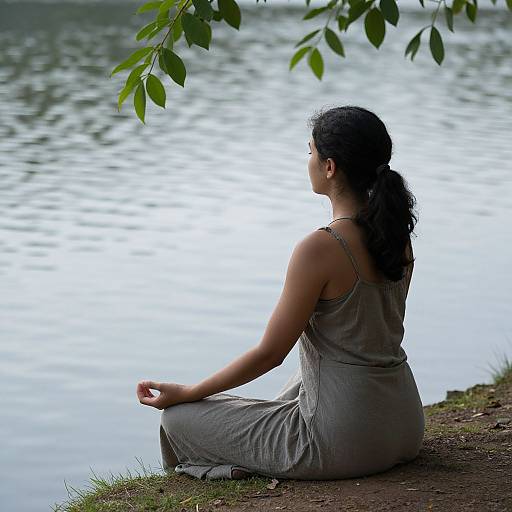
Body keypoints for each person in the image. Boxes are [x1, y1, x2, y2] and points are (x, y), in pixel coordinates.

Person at [136, 105, 425, 481]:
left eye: (311, 152)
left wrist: (188, 392)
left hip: (344, 443)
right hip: (404, 426)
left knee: (177, 420)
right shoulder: (397, 239)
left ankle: (225, 470)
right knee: (304, 375)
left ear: (330, 167)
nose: (308, 161)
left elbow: (269, 354)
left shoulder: (321, 247)